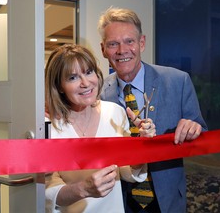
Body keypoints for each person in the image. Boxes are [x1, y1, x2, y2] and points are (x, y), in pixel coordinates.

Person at [98, 7, 208, 213]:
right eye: (113, 44)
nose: (122, 50)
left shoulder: (178, 81)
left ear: (142, 43)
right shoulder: (97, 93)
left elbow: (202, 132)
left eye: (129, 41)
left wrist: (195, 128)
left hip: (167, 200)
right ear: (103, 49)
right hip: (117, 202)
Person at [45, 44, 156, 213]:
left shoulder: (114, 112)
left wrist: (142, 149)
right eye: (73, 78)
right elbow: (47, 190)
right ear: (59, 86)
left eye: (89, 72)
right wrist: (83, 189)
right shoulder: (48, 126)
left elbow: (126, 169)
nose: (85, 83)